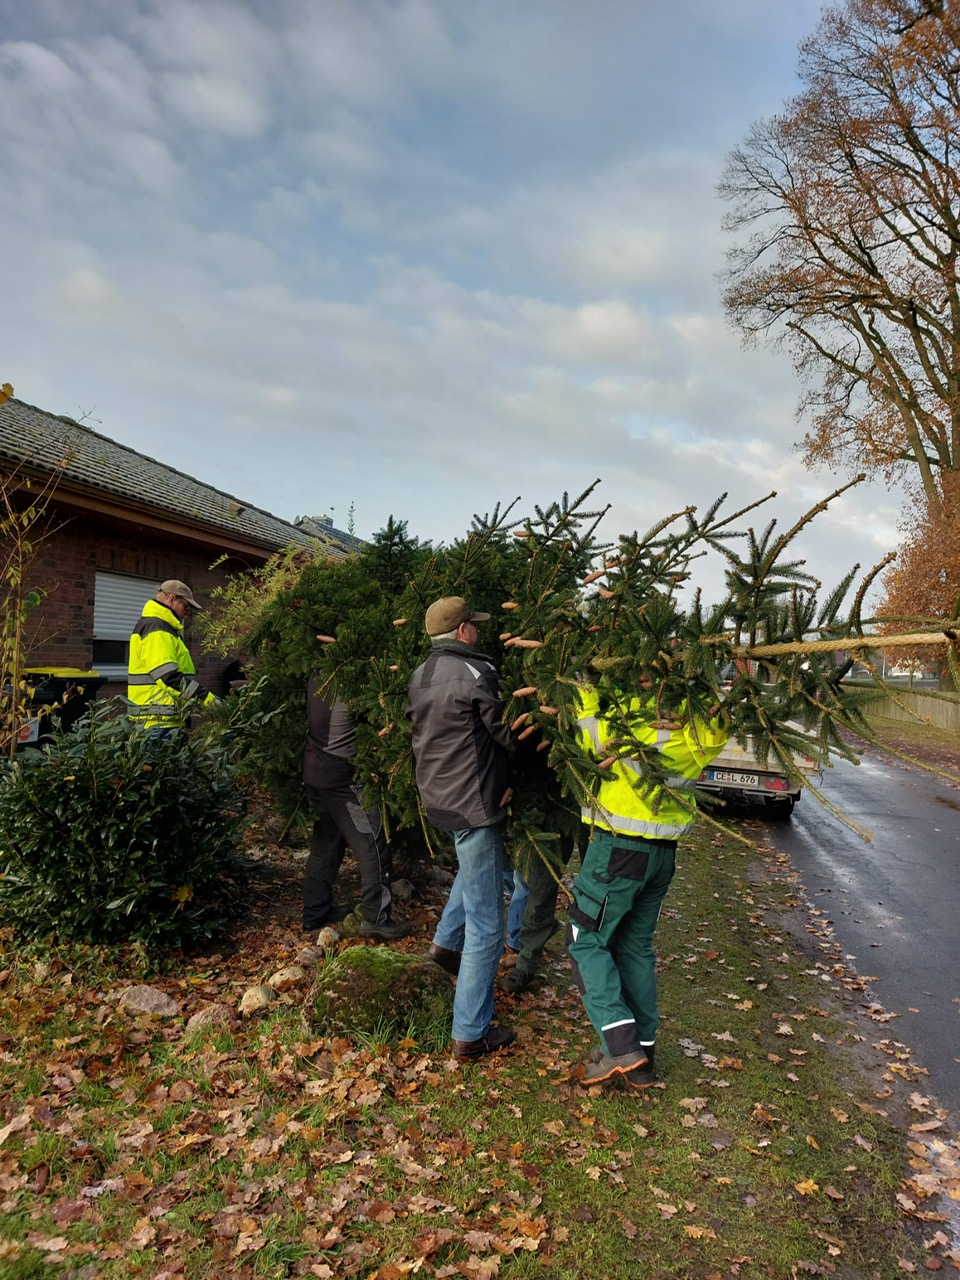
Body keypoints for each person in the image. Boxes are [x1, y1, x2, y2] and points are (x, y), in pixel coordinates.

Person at [568, 681, 728, 1088]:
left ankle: (621, 1047)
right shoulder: (696, 711)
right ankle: (644, 1053)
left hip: (619, 846)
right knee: (634, 945)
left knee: (585, 937)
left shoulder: (624, 704)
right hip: (663, 853)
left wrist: (586, 691)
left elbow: (592, 748)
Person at [407, 596, 516, 1062]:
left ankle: (445, 947)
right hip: (475, 804)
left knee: (474, 877)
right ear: (464, 630)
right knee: (489, 923)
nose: (479, 632)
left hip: (439, 799)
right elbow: (507, 733)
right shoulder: (477, 673)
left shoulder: (420, 674)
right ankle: (470, 1032)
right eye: (476, 625)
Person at [302, 673, 410, 940]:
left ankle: (314, 912)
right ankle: (376, 917)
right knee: (372, 844)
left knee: (327, 840)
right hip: (342, 779)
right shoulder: (353, 684)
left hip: (314, 771)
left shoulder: (319, 677)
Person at [127, 579, 218, 731]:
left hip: (161, 721)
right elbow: (168, 677)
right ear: (171, 599)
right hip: (158, 724)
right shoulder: (158, 629)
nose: (187, 614)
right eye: (186, 607)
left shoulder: (164, 629)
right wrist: (207, 699)